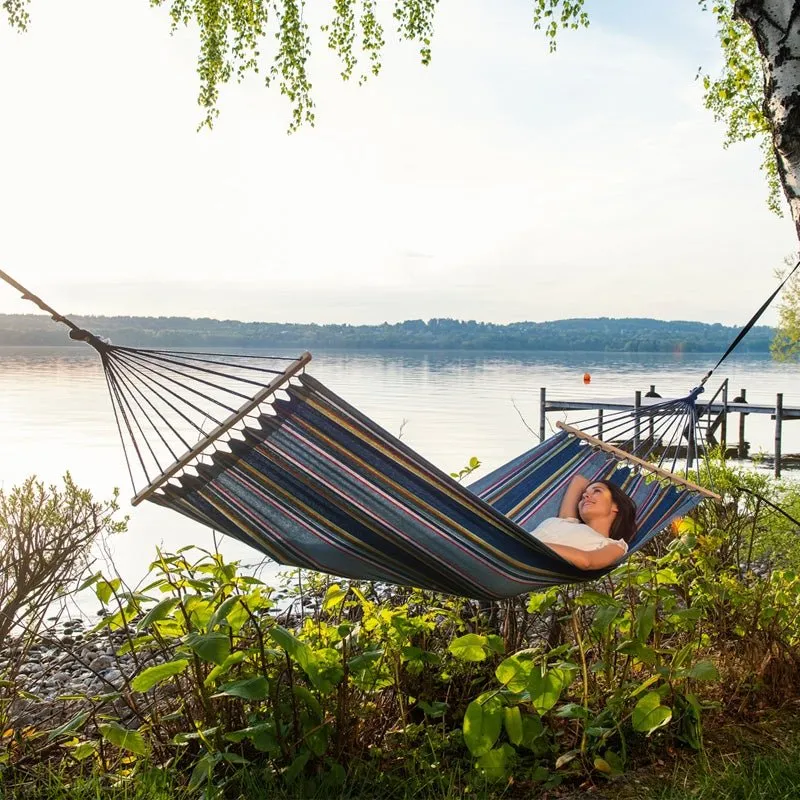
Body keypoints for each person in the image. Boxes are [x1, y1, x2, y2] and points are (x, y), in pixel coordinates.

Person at [531, 474, 637, 570]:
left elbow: (587, 561)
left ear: (616, 506)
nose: (585, 496)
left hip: (525, 552)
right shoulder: (568, 521)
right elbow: (579, 481)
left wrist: (530, 544)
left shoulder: (615, 546)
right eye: (583, 496)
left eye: (597, 491)